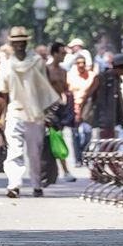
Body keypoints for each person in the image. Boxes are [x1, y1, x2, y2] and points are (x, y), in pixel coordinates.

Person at [0, 26, 59, 198]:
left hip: (35, 114)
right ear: (12, 44)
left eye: (22, 42)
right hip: (15, 112)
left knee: (34, 153)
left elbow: (45, 89)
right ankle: (13, 185)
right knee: (14, 151)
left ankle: (37, 185)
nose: (19, 45)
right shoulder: (7, 65)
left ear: (26, 42)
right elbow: (2, 94)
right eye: (16, 42)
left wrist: (48, 114)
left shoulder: (37, 62)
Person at [45, 42, 76, 182]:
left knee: (57, 138)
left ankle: (60, 171)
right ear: (55, 53)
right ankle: (60, 171)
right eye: (62, 53)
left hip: (60, 109)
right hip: (48, 109)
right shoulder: (47, 69)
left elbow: (64, 89)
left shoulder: (63, 71)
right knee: (52, 139)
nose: (64, 56)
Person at [81, 53, 123, 139]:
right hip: (102, 120)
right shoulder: (102, 77)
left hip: (112, 121)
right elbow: (88, 94)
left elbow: (119, 101)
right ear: (121, 67)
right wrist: (82, 111)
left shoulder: (116, 79)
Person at [67, 55, 96, 166]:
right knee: (75, 134)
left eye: (83, 62)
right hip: (74, 107)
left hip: (87, 109)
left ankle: (85, 155)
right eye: (79, 62)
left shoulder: (91, 76)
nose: (81, 65)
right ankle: (78, 159)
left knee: (87, 132)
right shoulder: (70, 76)